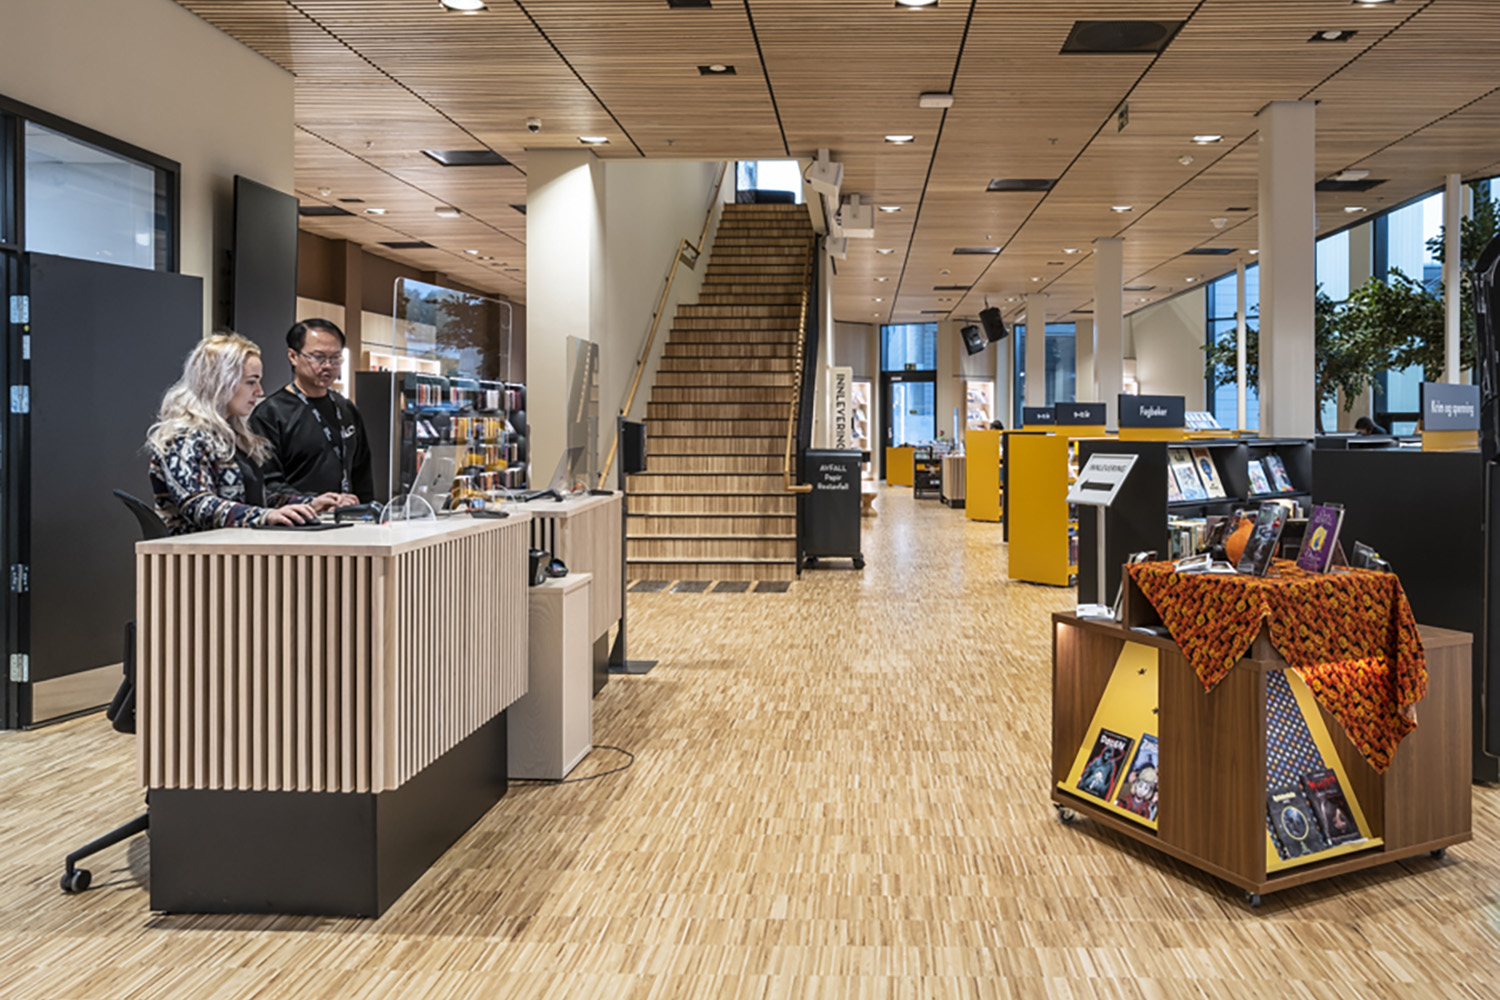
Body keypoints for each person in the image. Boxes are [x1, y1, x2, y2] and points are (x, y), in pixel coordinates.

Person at [147, 333, 346, 534]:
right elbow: (198, 504)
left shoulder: (232, 436)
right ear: (221, 381)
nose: (259, 391)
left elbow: (252, 500)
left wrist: (309, 504)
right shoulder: (184, 437)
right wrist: (264, 516)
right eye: (251, 382)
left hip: (232, 548)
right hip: (198, 551)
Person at [251, 318, 373, 504]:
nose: (328, 365)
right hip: (297, 517)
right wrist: (311, 502)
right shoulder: (270, 414)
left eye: (335, 358)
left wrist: (368, 511)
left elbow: (362, 473)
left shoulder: (346, 409)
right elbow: (267, 484)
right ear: (293, 356)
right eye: (318, 357)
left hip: (347, 516)